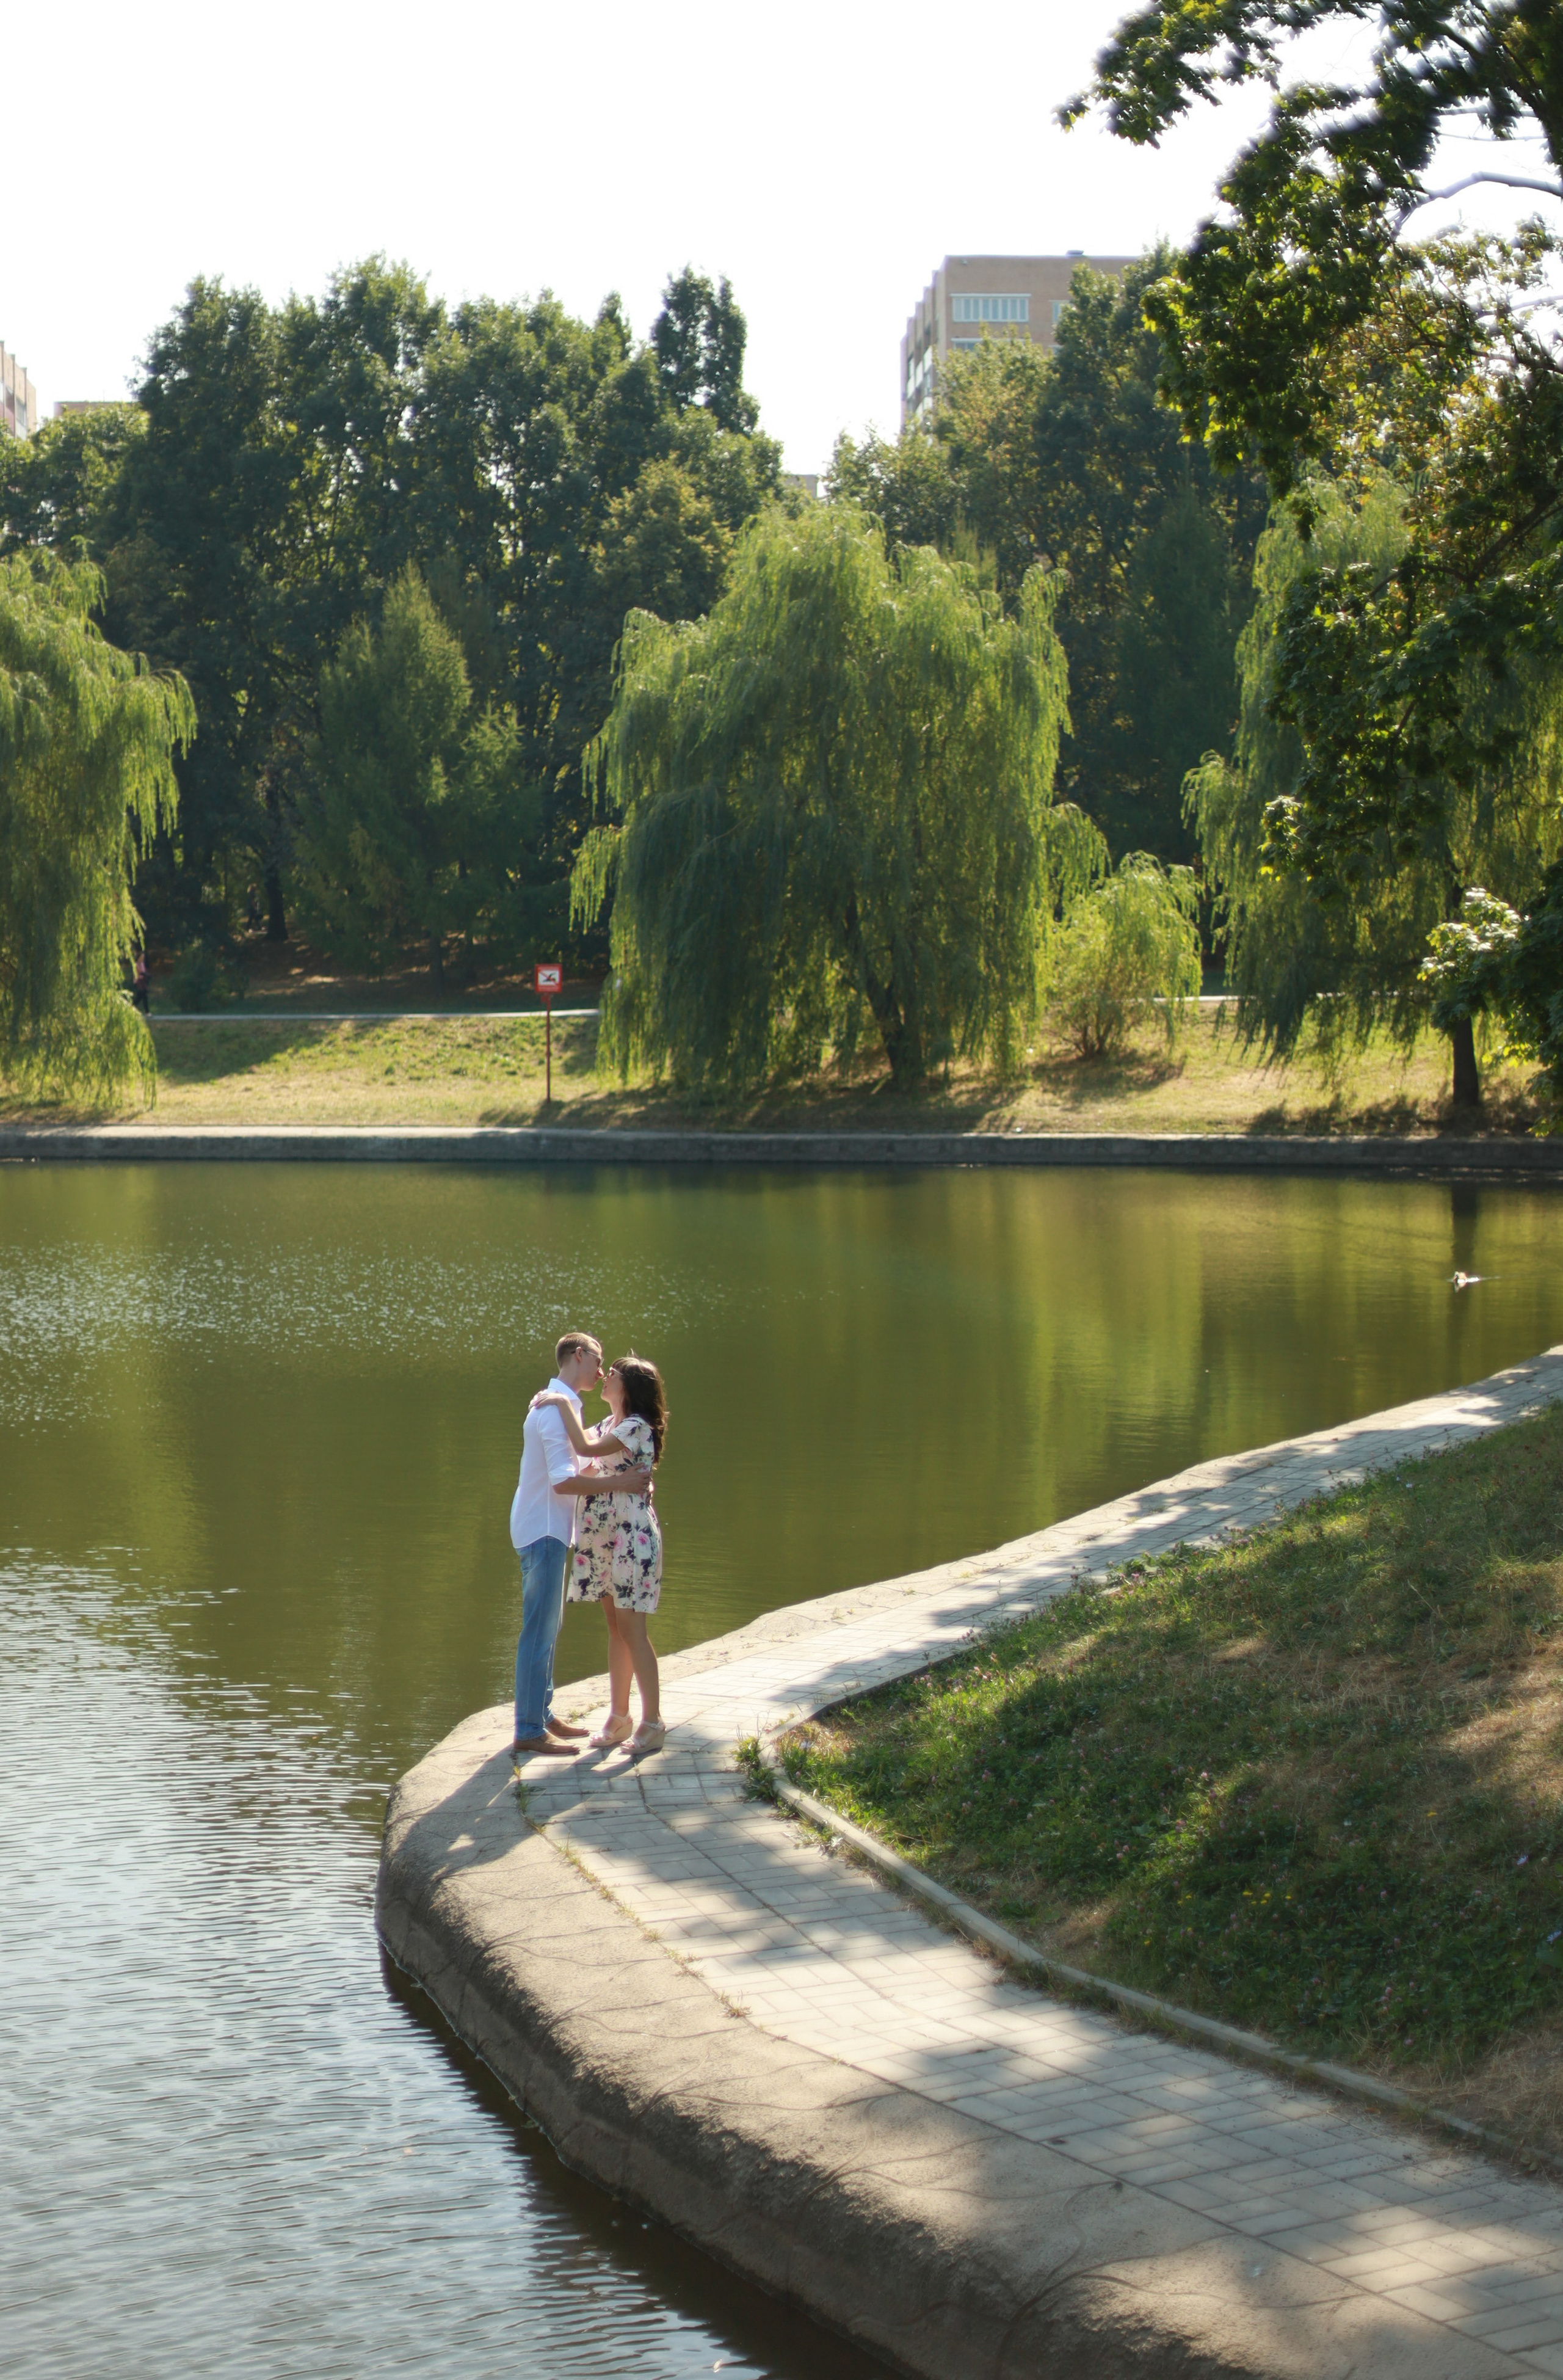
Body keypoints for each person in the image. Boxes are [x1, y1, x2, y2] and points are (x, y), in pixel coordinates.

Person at [509, 1331, 650, 1763]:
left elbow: (585, 1455)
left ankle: (542, 1713)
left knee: (549, 1626)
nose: (602, 1370)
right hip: (543, 1526)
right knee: (539, 1628)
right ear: (579, 1355)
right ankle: (529, 1729)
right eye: (598, 1360)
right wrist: (621, 1482)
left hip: (550, 1526)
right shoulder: (554, 1411)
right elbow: (563, 1480)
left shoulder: (563, 1406)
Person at [532, 1353, 667, 1754]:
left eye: (615, 1373)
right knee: (614, 1626)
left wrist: (560, 1400)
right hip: (605, 1535)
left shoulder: (635, 1426)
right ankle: (620, 1716)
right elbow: (581, 1461)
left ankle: (653, 1721)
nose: (606, 1376)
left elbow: (585, 1445)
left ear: (629, 1387)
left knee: (632, 1629)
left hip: (630, 1535)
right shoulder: (610, 1424)